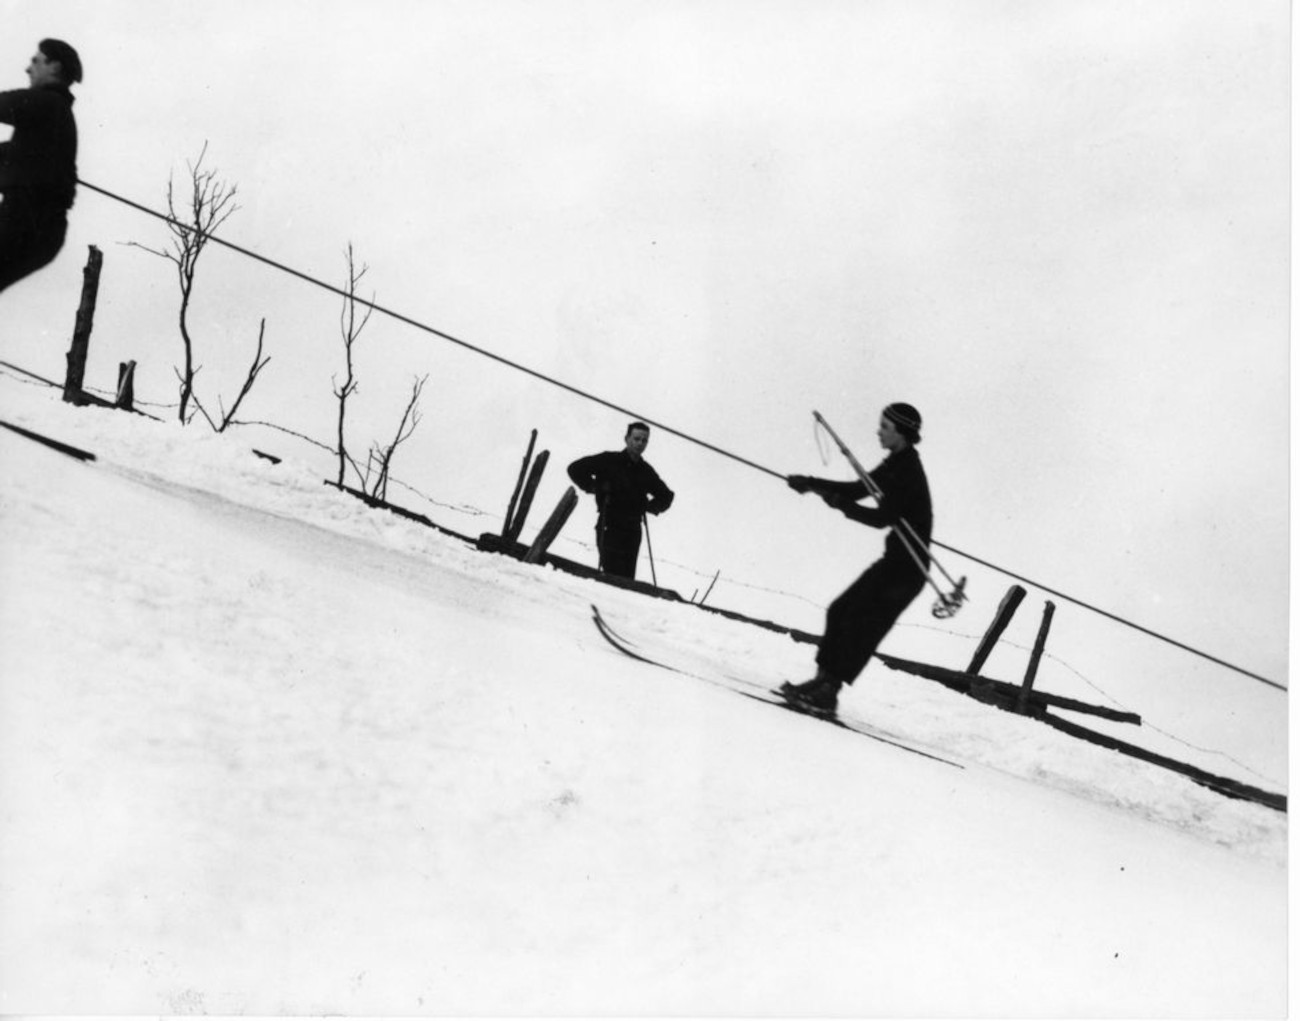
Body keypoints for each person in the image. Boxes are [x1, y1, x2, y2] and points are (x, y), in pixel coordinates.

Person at [782, 402, 932, 714]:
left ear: (902, 434)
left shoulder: (908, 471)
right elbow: (858, 488)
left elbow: (882, 518)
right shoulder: (895, 463)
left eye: (885, 427)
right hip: (895, 562)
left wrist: (840, 505)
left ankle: (830, 691)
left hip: (909, 569)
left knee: (860, 625)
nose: (879, 431)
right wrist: (811, 484)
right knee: (840, 611)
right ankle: (821, 681)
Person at [0, 39, 82, 294]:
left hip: (27, 220)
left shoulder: (49, 104)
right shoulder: (52, 117)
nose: (28, 69)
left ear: (54, 67)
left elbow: (5, 104)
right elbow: (11, 154)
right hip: (40, 229)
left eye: (35, 61)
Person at [567, 422, 674, 580]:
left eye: (644, 440)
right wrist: (595, 486)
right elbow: (575, 468)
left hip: (633, 530)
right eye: (636, 438)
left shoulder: (645, 471)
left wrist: (649, 507)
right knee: (612, 575)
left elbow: (666, 495)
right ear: (627, 439)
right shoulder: (609, 460)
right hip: (609, 525)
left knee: (627, 580)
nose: (640, 443)